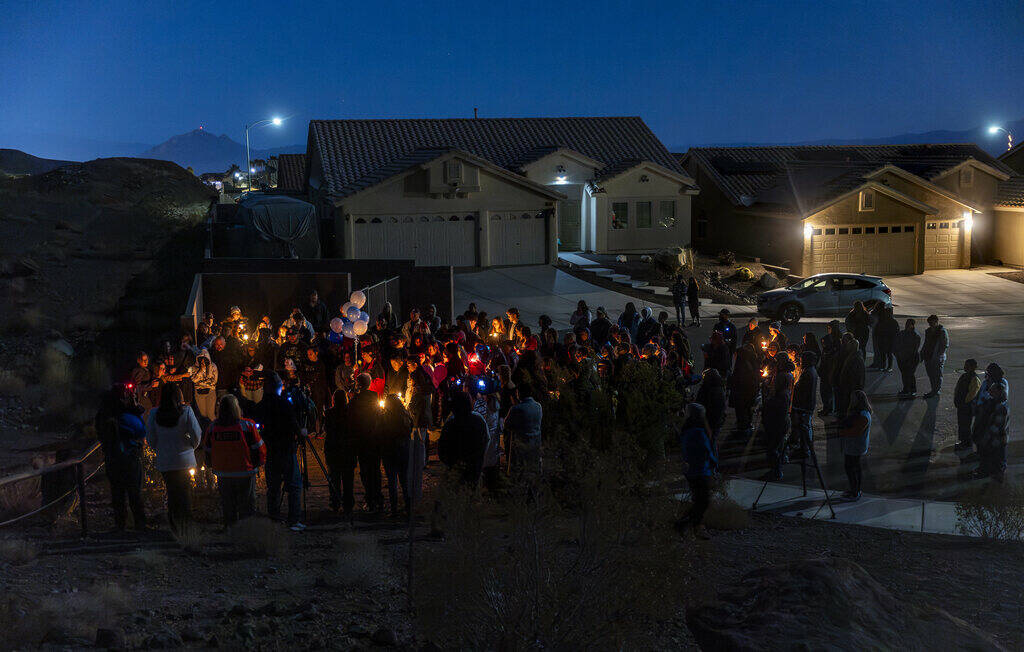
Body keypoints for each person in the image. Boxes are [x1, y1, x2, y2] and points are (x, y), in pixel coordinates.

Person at [146, 383, 202, 535]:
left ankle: (175, 526)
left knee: (172, 493)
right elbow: (197, 435)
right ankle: (186, 526)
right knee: (184, 493)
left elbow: (150, 438)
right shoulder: (186, 411)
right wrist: (190, 446)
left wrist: (160, 449)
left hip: (166, 460)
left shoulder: (154, 413)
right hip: (184, 459)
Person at [202, 394, 266, 527]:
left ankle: (230, 531)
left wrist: (212, 465)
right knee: (247, 505)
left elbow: (207, 449)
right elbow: (259, 447)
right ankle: (245, 533)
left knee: (228, 505)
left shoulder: (213, 427)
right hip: (245, 472)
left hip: (223, 473)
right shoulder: (247, 425)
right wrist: (258, 463)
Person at [254, 372, 305, 530]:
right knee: (294, 485)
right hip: (286, 449)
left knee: (273, 487)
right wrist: (301, 433)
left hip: (270, 450)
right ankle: (293, 520)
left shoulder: (261, 406)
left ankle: (274, 518)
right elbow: (294, 424)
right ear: (278, 387)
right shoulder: (285, 404)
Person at [95, 383, 147, 531]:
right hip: (129, 457)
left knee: (117, 493)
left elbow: (100, 434)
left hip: (112, 458)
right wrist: (134, 407)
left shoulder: (103, 414)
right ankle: (140, 524)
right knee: (134, 492)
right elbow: (140, 430)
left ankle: (120, 524)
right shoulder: (126, 415)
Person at [676, 403, 717, 540]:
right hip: (701, 470)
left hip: (691, 470)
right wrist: (714, 462)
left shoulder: (687, 430)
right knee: (703, 500)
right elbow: (706, 450)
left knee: (699, 499)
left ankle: (689, 524)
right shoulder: (699, 431)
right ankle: (687, 523)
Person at [438, 392, 489, 486]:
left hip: (455, 468)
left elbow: (442, 448)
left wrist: (450, 463)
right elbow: (486, 441)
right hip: (473, 468)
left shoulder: (450, 423)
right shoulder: (479, 420)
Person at [349, 373, 384, 512]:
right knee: (375, 469)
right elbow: (379, 416)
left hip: (362, 439)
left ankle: (370, 497)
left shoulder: (355, 400)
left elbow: (351, 420)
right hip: (374, 437)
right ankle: (377, 497)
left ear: (358, 384)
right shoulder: (374, 397)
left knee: (365, 469)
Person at [379, 393, 414, 515]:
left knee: (392, 481)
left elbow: (381, 433)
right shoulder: (406, 415)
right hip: (403, 451)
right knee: (404, 480)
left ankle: (394, 509)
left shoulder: (385, 417)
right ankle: (408, 507)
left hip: (389, 451)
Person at [323, 389, 357, 514]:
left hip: (334, 449)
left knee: (334, 477)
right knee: (348, 479)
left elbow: (327, 430)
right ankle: (348, 503)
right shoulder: (351, 413)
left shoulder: (329, 413)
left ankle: (335, 502)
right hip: (348, 449)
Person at [762, 353, 794, 480]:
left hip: (778, 421)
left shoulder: (782, 395)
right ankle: (776, 469)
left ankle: (776, 471)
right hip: (780, 420)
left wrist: (767, 404)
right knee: (777, 445)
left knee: (774, 447)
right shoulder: (784, 386)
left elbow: (776, 407)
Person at [504, 382, 543, 480]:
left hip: (521, 444)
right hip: (535, 443)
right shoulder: (538, 406)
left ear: (519, 393)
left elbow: (507, 425)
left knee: (521, 472)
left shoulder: (516, 408)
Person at [839, 390, 872, 500]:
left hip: (856, 446)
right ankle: (854, 489)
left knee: (852, 468)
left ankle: (855, 492)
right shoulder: (861, 413)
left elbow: (856, 432)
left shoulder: (863, 415)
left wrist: (842, 432)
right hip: (855, 445)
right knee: (854, 467)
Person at [974, 383, 1008, 482]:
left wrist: (986, 437)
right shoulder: (993, 402)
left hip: (995, 438)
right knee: (988, 455)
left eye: (993, 390)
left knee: (993, 456)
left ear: (999, 392)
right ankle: (987, 471)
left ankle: (989, 473)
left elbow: (997, 426)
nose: (990, 392)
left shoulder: (1001, 407)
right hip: (992, 437)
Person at [790, 351, 819, 459]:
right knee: (805, 427)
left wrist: (795, 386)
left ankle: (805, 449)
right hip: (807, 404)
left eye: (802, 360)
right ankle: (804, 447)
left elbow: (802, 389)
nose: (800, 362)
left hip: (805, 405)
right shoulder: (810, 371)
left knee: (804, 427)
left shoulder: (808, 373)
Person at [729, 341, 760, 435]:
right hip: (747, 390)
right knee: (746, 409)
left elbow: (739, 378)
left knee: (743, 410)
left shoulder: (742, 364)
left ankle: (744, 428)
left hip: (742, 391)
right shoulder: (750, 361)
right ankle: (746, 426)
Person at [953, 359, 982, 451]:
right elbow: (957, 388)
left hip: (967, 407)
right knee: (961, 424)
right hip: (961, 405)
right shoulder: (964, 376)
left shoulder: (974, 378)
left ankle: (967, 443)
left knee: (965, 425)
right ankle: (963, 441)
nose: (965, 367)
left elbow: (972, 393)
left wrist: (964, 403)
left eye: (967, 366)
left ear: (973, 367)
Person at [920, 315, 949, 398]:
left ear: (936, 322)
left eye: (932, 323)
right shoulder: (928, 331)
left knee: (937, 375)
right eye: (929, 323)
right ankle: (934, 390)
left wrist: (939, 356)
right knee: (931, 375)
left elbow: (945, 345)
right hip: (928, 356)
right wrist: (922, 354)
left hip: (937, 357)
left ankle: (936, 391)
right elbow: (925, 343)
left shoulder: (942, 331)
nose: (930, 325)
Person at [836, 334, 865, 417]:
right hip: (849, 387)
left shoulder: (855, 358)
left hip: (851, 388)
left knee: (849, 405)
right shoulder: (854, 356)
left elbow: (856, 376)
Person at [695, 369, 726, 446]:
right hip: (717, 420)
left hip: (708, 419)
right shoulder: (720, 388)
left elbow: (701, 404)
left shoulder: (705, 389)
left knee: (707, 442)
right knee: (713, 440)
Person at [817, 321, 842, 415]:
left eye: (829, 328)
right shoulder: (839, 339)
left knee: (826, 391)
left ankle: (827, 408)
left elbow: (827, 358)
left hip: (828, 371)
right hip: (832, 371)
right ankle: (831, 408)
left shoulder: (831, 345)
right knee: (831, 391)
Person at [893, 319, 921, 398]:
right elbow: (896, 345)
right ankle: (906, 389)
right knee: (905, 374)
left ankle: (912, 390)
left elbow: (914, 350)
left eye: (909, 324)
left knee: (910, 375)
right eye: (907, 324)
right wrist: (897, 354)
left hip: (911, 359)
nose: (907, 326)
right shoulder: (902, 334)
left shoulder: (915, 336)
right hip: (902, 358)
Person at [188, 349, 218, 422]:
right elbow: (194, 380)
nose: (203, 362)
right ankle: (206, 430)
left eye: (205, 360)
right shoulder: (193, 368)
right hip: (199, 393)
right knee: (203, 414)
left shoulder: (213, 366)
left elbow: (214, 381)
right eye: (201, 360)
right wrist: (201, 371)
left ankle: (214, 430)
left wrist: (201, 382)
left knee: (211, 414)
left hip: (211, 392)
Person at [873, 305, 899, 372]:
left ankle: (886, 366)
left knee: (886, 354)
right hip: (886, 340)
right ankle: (887, 366)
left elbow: (877, 330)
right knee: (886, 354)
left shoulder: (884, 321)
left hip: (887, 340)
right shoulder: (892, 322)